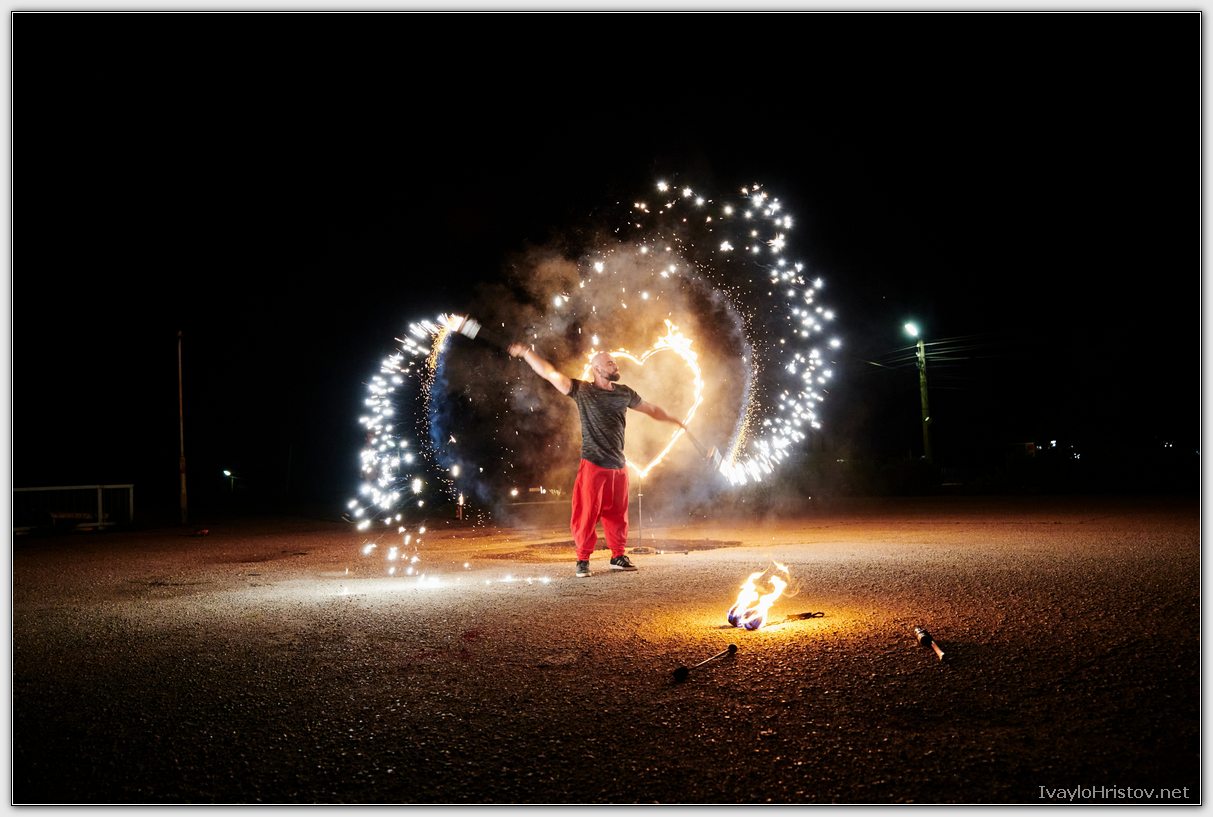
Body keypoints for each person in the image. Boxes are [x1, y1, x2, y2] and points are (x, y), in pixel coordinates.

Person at [508, 342, 686, 577]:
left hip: (618, 465)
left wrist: (673, 419)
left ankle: (617, 556)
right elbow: (550, 373)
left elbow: (651, 409)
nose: (615, 365)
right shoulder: (582, 391)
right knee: (586, 514)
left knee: (618, 514)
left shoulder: (624, 392)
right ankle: (582, 559)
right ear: (597, 369)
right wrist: (526, 353)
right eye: (610, 363)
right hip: (593, 463)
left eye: (614, 362)